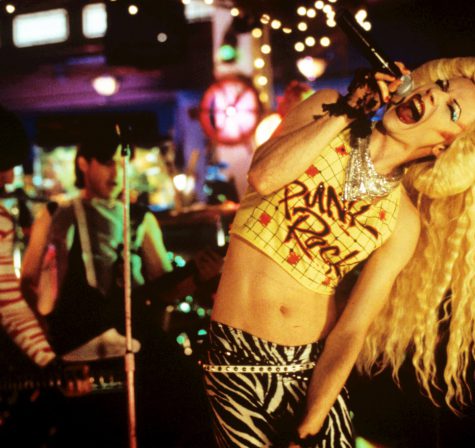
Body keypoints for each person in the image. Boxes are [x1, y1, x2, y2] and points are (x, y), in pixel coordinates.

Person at [202, 56, 475, 448]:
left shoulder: (402, 222)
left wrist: (311, 425)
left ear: (445, 146)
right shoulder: (326, 109)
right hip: (235, 364)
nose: (435, 94)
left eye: (452, 109)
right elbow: (263, 176)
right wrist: (348, 110)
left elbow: (351, 330)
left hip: (311, 375)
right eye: (442, 86)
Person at [20, 129, 223, 446]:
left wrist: (198, 277)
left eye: (121, 162)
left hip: (135, 345)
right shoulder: (55, 213)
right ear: (84, 163)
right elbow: (27, 283)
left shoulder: (140, 219)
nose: (116, 172)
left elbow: (163, 287)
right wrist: (42, 339)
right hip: (75, 348)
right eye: (107, 162)